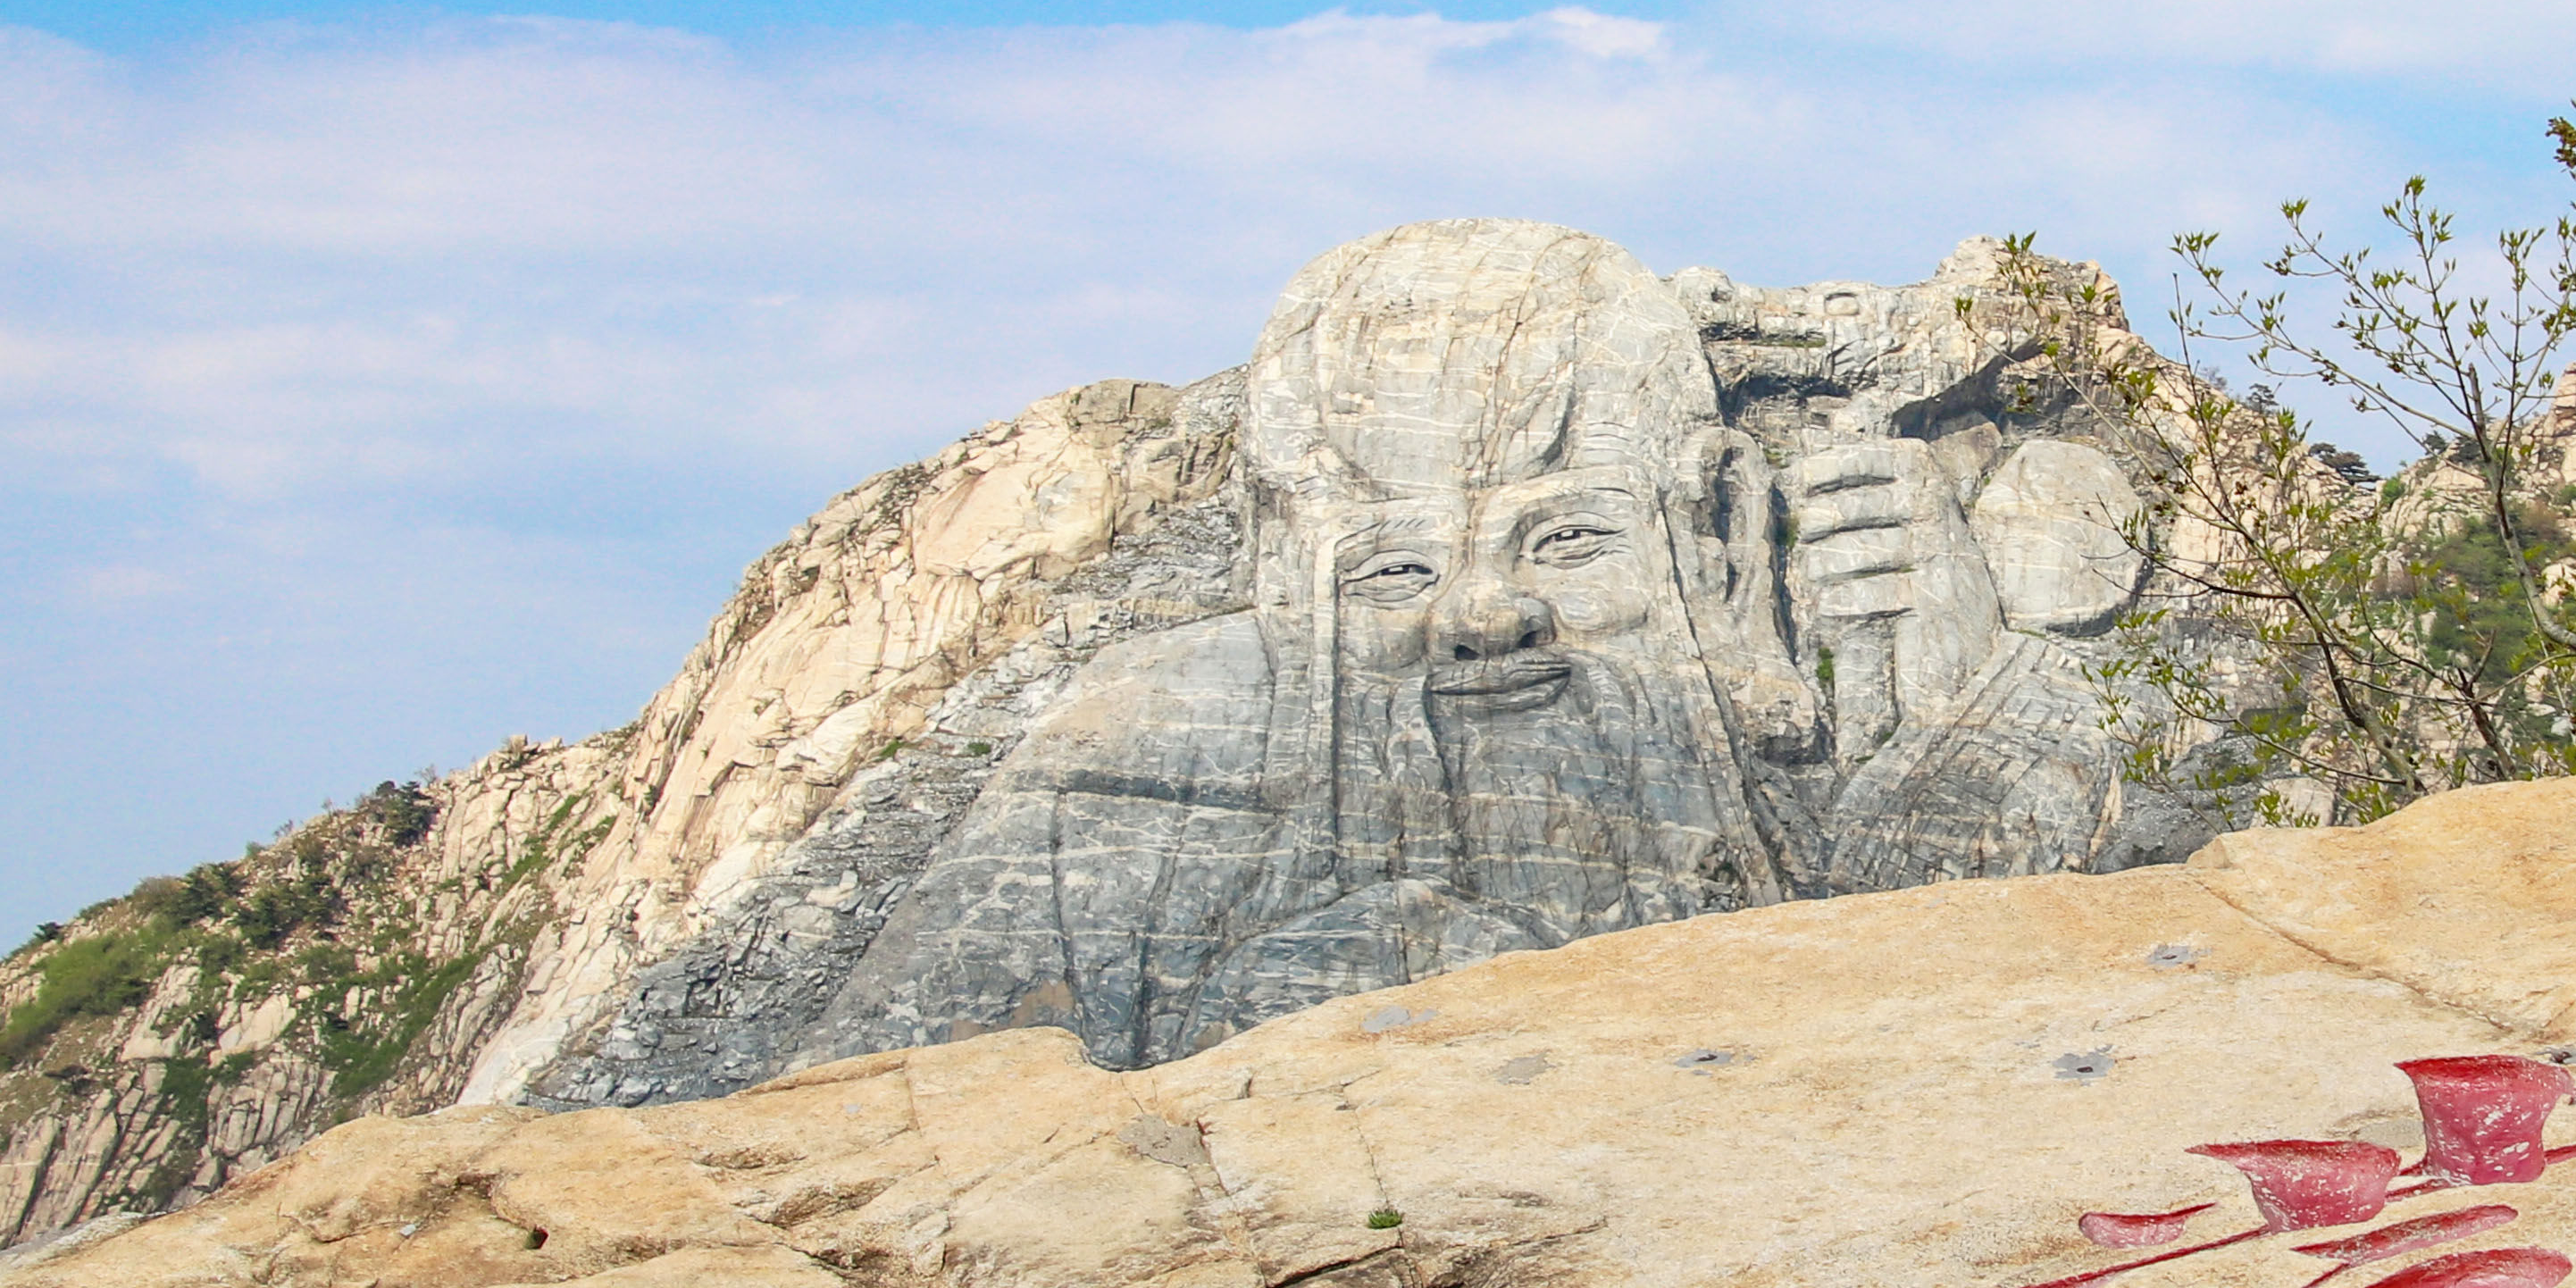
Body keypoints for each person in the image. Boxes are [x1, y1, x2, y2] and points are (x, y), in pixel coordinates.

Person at [800, 221, 2164, 1071]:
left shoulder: (1774, 739)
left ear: (1716, 534)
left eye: (1566, 542)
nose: (1481, 616)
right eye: (1396, 569)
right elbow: (873, 1116)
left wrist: (1976, 710)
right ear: (1284, 582)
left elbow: (1912, 1069)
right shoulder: (1149, 748)